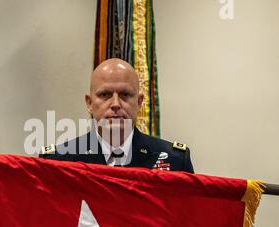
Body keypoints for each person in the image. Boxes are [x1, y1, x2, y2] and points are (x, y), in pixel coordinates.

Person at [40, 58, 194, 172]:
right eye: (105, 94)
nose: (115, 104)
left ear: (139, 102)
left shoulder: (175, 160)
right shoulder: (57, 162)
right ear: (89, 103)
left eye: (125, 94)